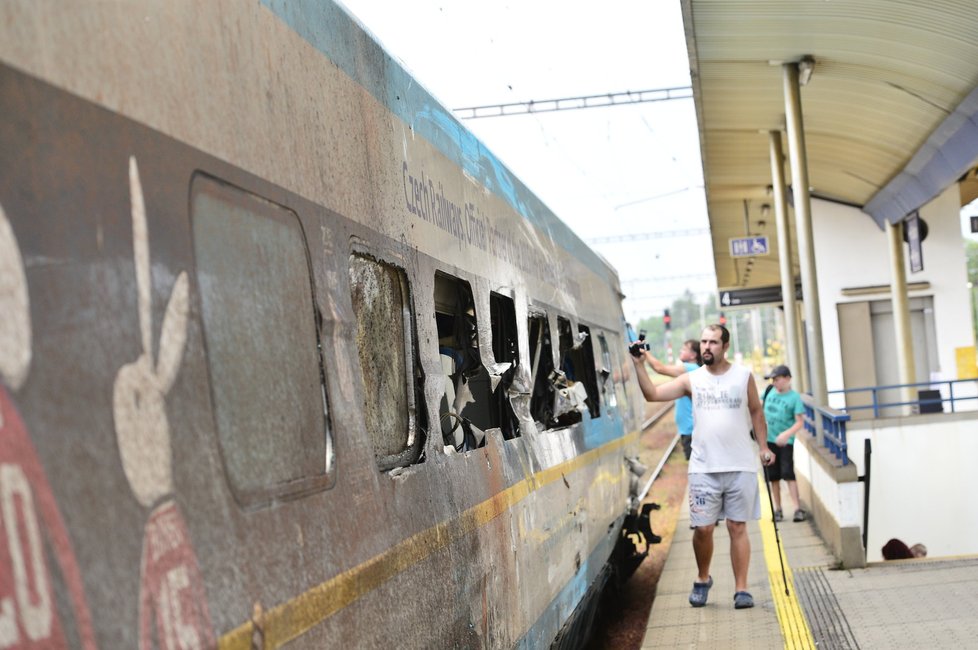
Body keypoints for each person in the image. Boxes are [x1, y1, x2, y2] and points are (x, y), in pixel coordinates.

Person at [631, 324, 774, 610]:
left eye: (713, 342)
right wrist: (639, 366)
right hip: (703, 467)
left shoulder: (743, 376)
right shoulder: (691, 380)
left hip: (740, 465)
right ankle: (702, 577)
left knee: (737, 527)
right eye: (704, 342)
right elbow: (653, 395)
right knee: (704, 529)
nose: (707, 347)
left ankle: (742, 589)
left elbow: (756, 410)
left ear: (725, 347)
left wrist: (763, 446)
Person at [762, 365, 808, 522]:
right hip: (768, 441)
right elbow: (757, 408)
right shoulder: (768, 392)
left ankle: (797, 509)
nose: (774, 383)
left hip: (785, 442)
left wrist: (786, 434)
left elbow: (799, 422)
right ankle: (778, 509)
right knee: (773, 476)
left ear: (788, 379)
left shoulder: (794, 397)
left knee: (788, 473)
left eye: (777, 379)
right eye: (773, 380)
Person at [641, 340, 701, 459]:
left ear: (693, 355)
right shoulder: (693, 369)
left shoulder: (690, 368)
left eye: (684, 349)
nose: (680, 351)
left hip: (691, 430)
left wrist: (645, 353)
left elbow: (660, 368)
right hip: (689, 429)